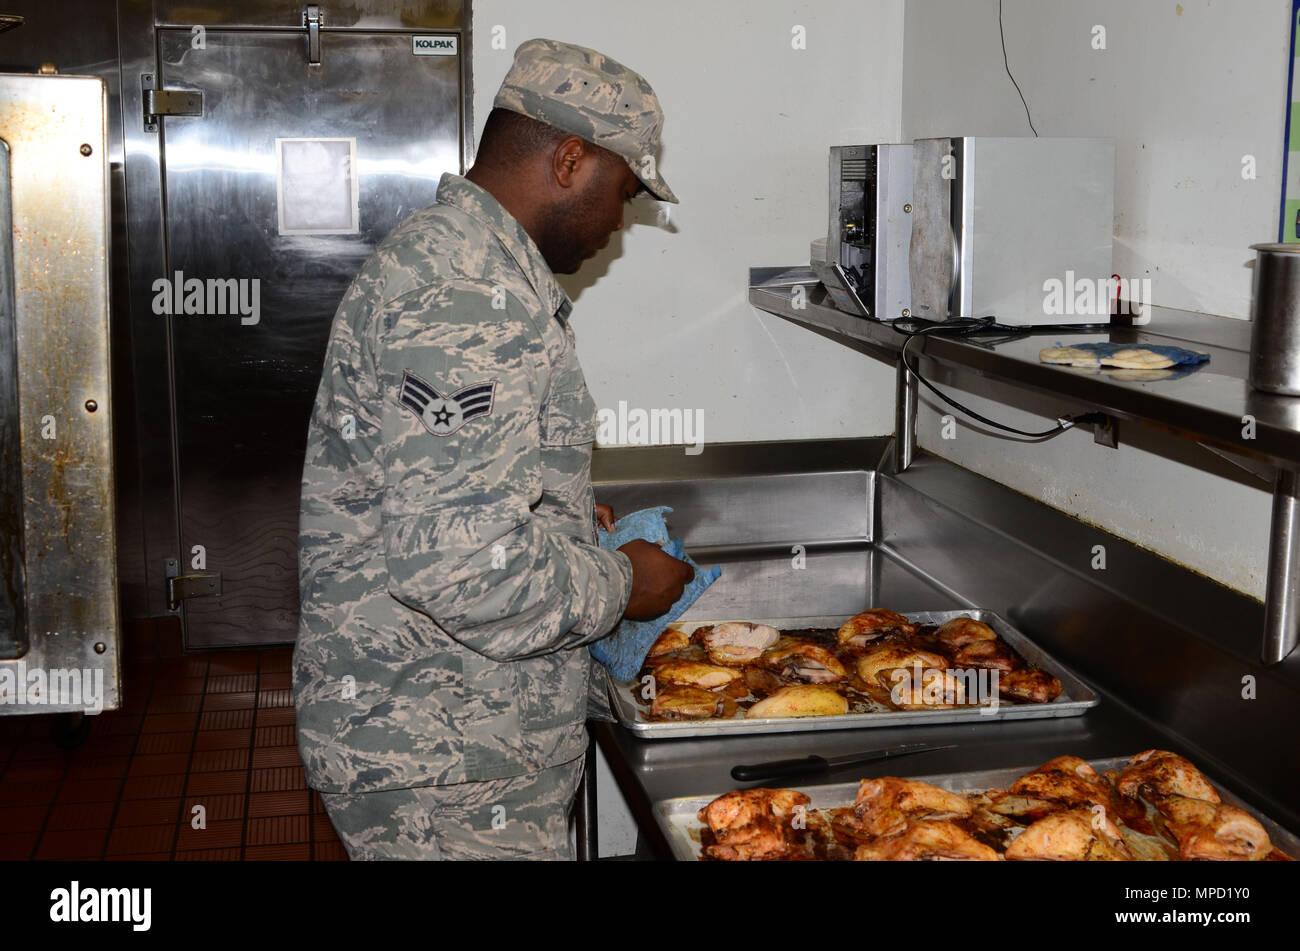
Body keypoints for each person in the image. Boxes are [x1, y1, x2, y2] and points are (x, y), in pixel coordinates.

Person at [292, 37, 693, 860]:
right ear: (570, 159)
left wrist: (560, 513)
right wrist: (625, 581)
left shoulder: (462, 265)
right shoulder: (471, 297)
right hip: (443, 763)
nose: (619, 222)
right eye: (622, 190)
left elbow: (446, 494)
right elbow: (463, 567)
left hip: (449, 740)